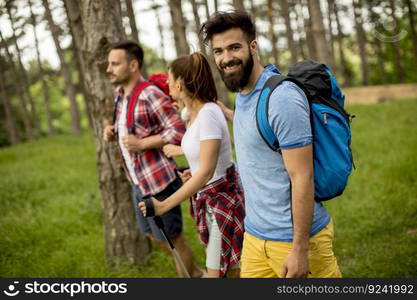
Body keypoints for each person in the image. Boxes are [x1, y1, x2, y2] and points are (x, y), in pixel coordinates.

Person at [200, 11, 342, 278]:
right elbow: (256, 131)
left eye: (234, 47)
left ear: (253, 46)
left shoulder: (281, 98)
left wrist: (299, 249)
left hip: (295, 241)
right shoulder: (243, 93)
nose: (226, 58)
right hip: (254, 237)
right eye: (218, 51)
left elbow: (302, 176)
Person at [139, 52, 245, 278]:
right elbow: (203, 162)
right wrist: (192, 171)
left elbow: (207, 172)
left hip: (223, 201)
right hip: (207, 199)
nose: (166, 83)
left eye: (169, 78)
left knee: (222, 273)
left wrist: (163, 205)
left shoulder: (207, 114)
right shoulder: (192, 114)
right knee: (228, 271)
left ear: (179, 82)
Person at [103, 40, 203, 278]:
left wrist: (143, 143)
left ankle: (192, 278)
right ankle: (197, 273)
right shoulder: (120, 96)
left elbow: (177, 130)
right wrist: (112, 131)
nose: (109, 69)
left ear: (133, 65)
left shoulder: (149, 94)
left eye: (115, 64)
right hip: (138, 182)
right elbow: (133, 126)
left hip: (159, 181)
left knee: (173, 241)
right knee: (151, 234)